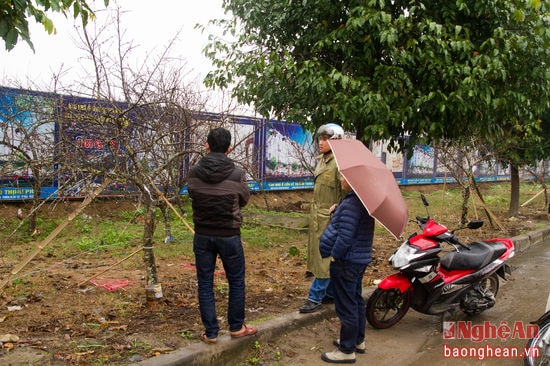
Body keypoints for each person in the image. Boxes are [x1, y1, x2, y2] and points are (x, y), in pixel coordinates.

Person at [187, 127, 257, 344]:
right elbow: (244, 200)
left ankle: (211, 332)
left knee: (205, 282)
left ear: (207, 145)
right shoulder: (237, 174)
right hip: (229, 236)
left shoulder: (193, 172)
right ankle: (236, 327)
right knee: (236, 281)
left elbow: (193, 194)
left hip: (203, 235)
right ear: (229, 148)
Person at [319, 175, 375, 364]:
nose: (341, 179)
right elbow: (351, 225)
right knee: (356, 299)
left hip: (347, 261)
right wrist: (339, 210)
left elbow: (345, 236)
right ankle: (357, 341)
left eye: (344, 177)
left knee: (346, 305)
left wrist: (335, 254)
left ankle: (347, 350)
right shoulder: (362, 201)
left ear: (353, 181)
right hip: (359, 259)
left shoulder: (352, 204)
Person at [299, 123, 344, 314]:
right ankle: (331, 293)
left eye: (325, 139)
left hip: (331, 218)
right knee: (320, 257)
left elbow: (346, 193)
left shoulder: (339, 163)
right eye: (320, 138)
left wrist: (338, 208)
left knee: (325, 257)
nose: (321, 142)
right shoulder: (322, 160)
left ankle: (315, 297)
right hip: (318, 216)